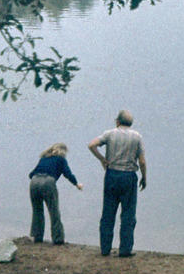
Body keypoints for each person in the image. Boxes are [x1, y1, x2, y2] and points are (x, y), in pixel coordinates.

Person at [88, 109, 147, 257]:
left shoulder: (109, 134)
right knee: (128, 214)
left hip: (112, 174)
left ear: (118, 121)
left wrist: (102, 159)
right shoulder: (137, 137)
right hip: (129, 176)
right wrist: (144, 177)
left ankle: (105, 248)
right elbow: (142, 161)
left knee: (108, 213)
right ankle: (125, 249)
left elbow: (91, 145)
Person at [29, 142, 83, 245]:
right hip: (48, 182)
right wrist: (76, 184)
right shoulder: (61, 160)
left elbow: (31, 174)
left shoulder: (43, 158)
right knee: (54, 211)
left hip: (34, 181)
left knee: (37, 210)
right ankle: (58, 239)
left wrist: (37, 179)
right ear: (63, 151)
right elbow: (68, 174)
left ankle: (37, 237)